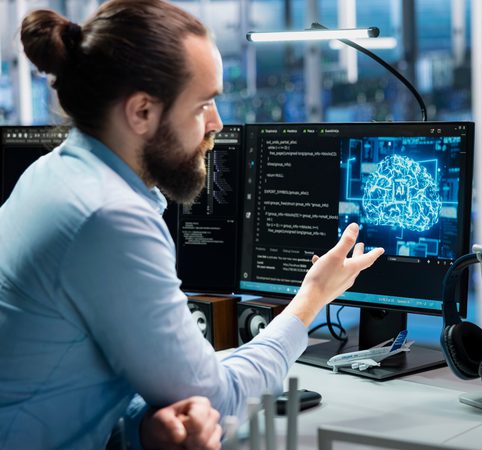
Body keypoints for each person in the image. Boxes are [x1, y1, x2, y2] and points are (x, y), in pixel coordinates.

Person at [0, 1, 383, 449]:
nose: (216, 123)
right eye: (203, 104)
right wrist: (312, 297)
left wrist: (145, 425)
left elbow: (61, 381)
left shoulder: (53, 174)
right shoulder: (109, 218)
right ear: (141, 112)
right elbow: (219, 398)